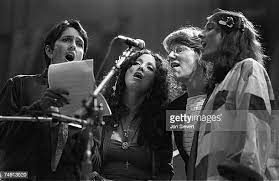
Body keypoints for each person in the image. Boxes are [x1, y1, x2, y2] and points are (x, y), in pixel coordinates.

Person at [0, 19, 103, 180]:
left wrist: (86, 134)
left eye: (80, 44)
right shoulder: (19, 84)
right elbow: (3, 136)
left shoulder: (90, 100)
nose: (73, 46)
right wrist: (39, 108)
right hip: (20, 176)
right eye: (66, 39)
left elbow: (95, 164)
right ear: (49, 51)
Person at [189, 9, 275, 180]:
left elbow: (256, 124)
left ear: (228, 34)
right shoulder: (216, 88)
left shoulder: (248, 68)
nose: (201, 35)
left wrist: (245, 172)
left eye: (209, 28)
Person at [92, 49, 174, 180]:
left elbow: (164, 174)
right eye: (136, 63)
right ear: (124, 70)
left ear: (154, 83)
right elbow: (88, 164)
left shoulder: (160, 120)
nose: (141, 67)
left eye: (150, 68)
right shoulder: (102, 111)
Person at [162, 26, 209, 178]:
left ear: (200, 53)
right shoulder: (174, 108)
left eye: (179, 50)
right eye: (169, 51)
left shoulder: (223, 94)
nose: (169, 56)